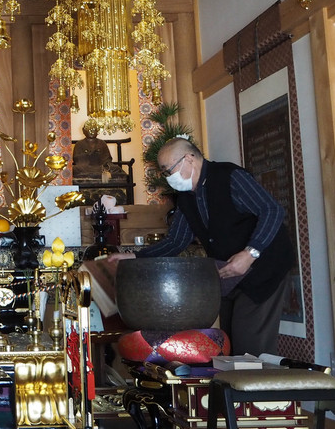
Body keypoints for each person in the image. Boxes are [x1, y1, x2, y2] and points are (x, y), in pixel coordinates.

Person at [107, 136, 295, 355]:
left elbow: (272, 210)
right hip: (231, 276)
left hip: (264, 268)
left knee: (250, 348)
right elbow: (177, 241)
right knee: (229, 346)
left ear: (189, 158)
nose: (168, 177)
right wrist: (136, 258)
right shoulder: (187, 197)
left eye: (169, 170)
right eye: (164, 173)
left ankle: (258, 386)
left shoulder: (230, 176)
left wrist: (250, 253)